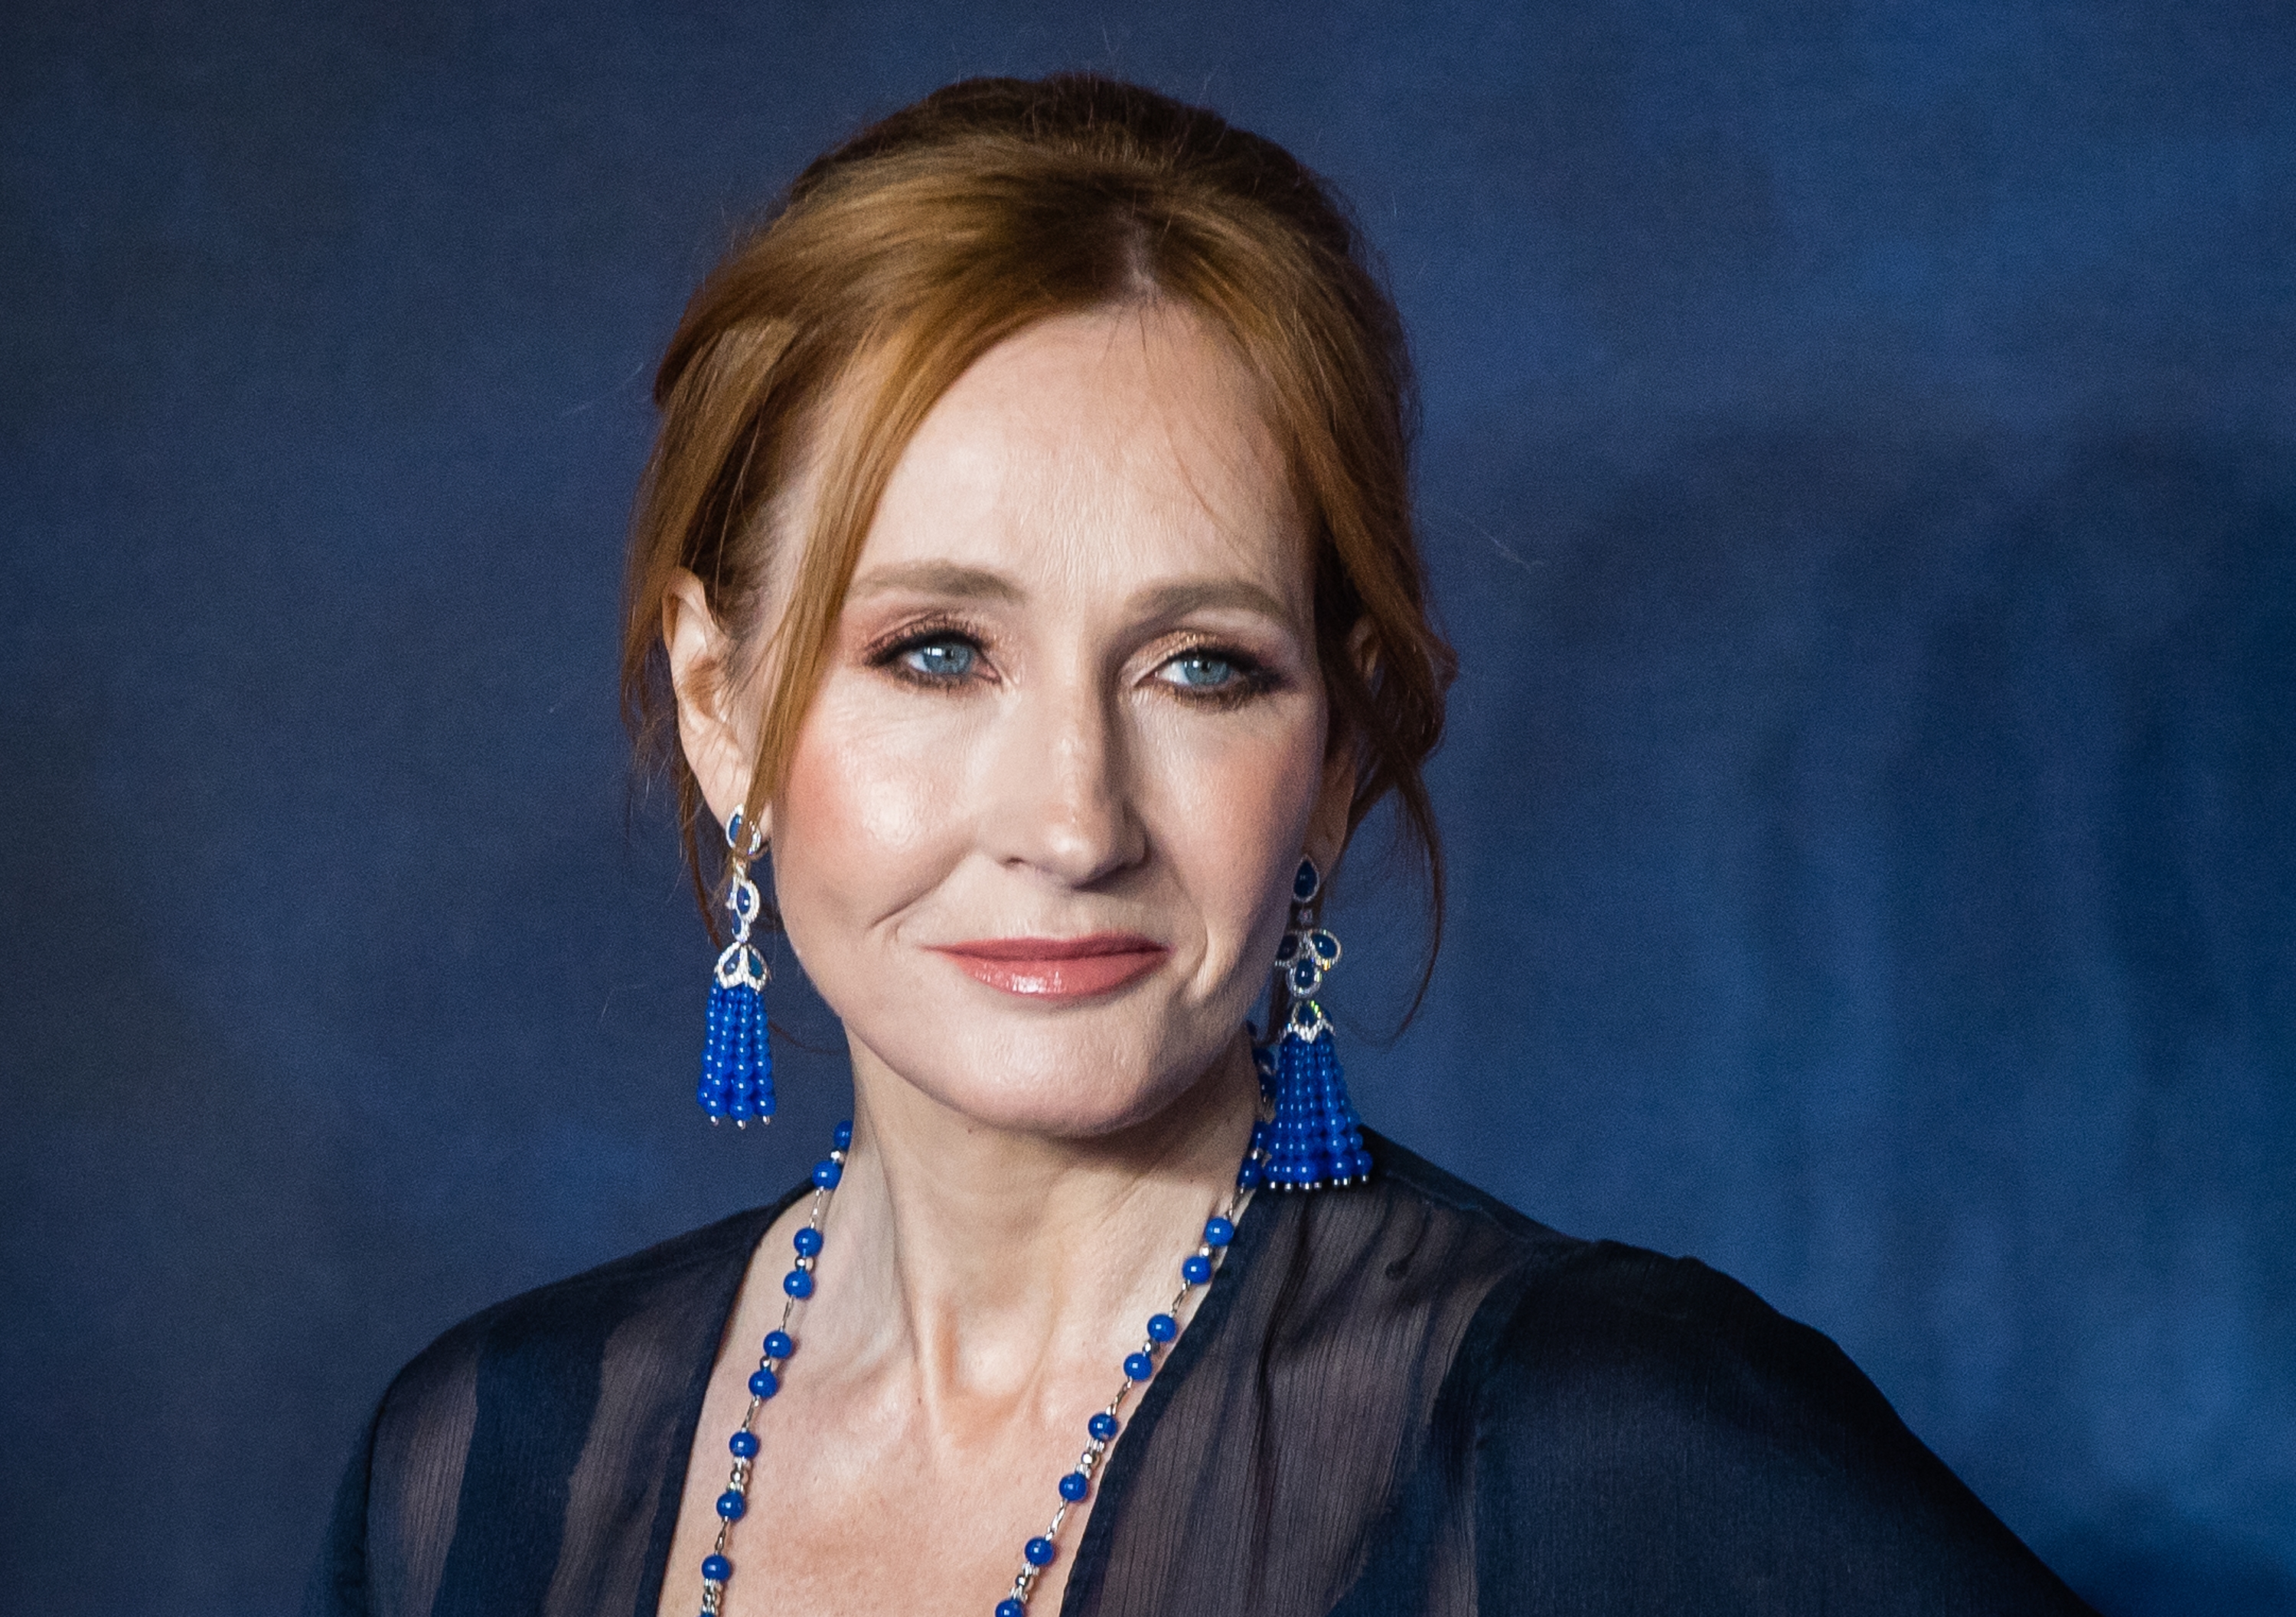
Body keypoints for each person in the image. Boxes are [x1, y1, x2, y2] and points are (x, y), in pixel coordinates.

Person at [305, 73, 2095, 1617]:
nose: (1075, 818)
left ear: (1336, 748)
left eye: (1201, 667)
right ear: (720, 704)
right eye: (937, 651)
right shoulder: (486, 1463)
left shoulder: (1599, 1436)